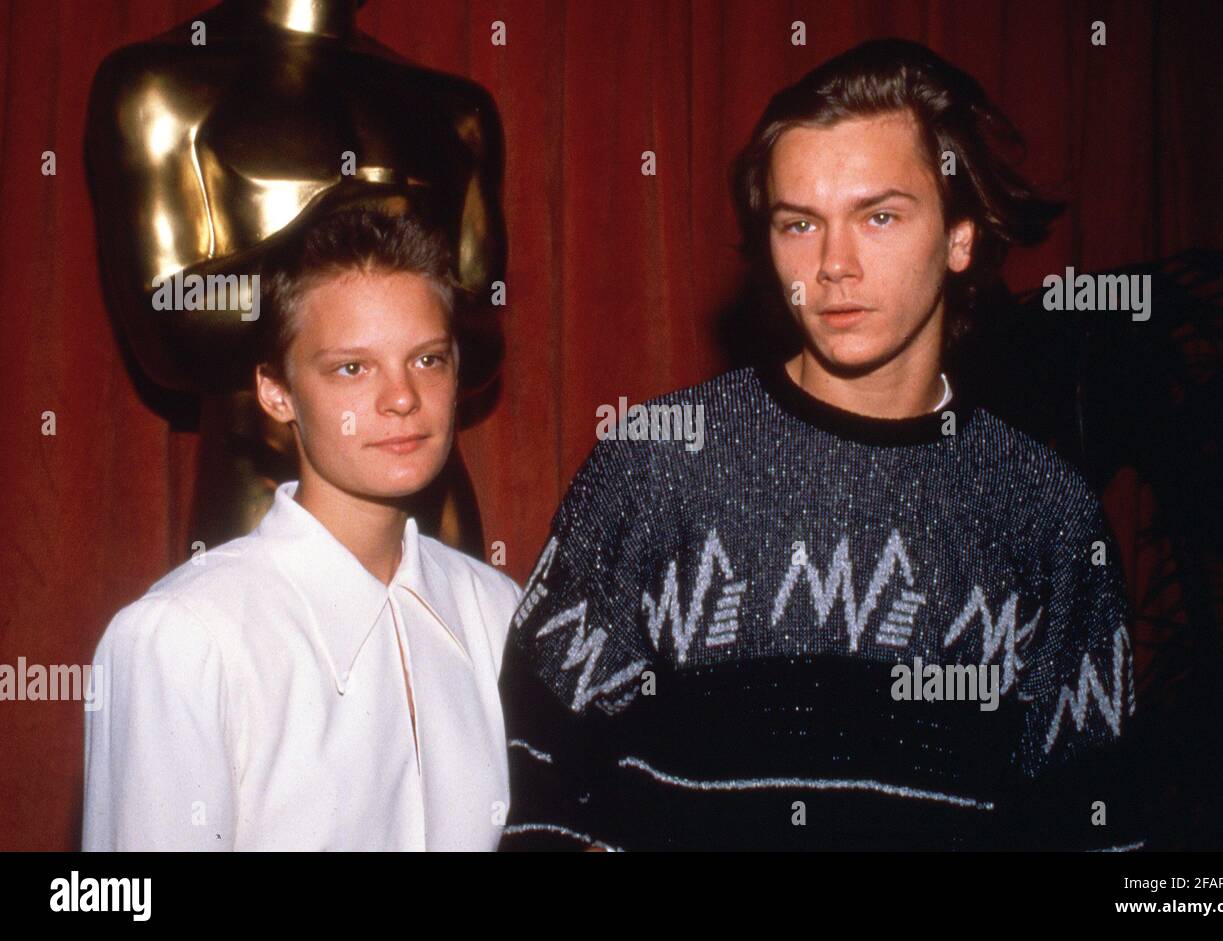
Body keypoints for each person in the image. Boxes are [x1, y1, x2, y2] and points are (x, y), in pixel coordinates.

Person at [499, 39, 1146, 851]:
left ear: (960, 239)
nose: (834, 265)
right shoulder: (655, 467)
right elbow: (537, 787)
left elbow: (1094, 828)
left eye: (880, 216)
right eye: (799, 223)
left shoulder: (1046, 515)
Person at [83, 208, 521, 850]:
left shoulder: (499, 612)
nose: (401, 397)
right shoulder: (182, 640)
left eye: (427, 360)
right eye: (352, 368)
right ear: (275, 392)